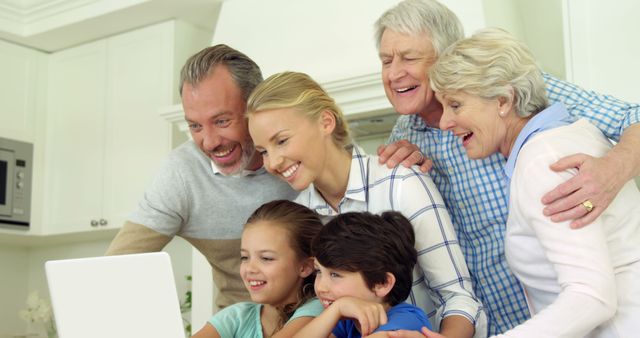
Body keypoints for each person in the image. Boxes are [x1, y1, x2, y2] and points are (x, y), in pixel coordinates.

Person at [374, 0, 640, 334]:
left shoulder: (527, 113)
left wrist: (613, 169)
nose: (394, 72)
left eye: (409, 57)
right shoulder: (403, 137)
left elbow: (634, 117)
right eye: (386, 60)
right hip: (503, 320)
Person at [246, 71, 486, 338]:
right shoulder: (302, 217)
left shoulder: (400, 181)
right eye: (264, 151)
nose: (274, 162)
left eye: (282, 140)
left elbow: (457, 297)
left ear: (325, 122)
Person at [105, 45, 299, 309]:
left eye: (221, 121)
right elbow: (114, 268)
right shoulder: (182, 175)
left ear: (257, 105)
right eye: (195, 125)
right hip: (239, 326)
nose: (209, 142)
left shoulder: (302, 152)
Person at [192, 200, 325, 338]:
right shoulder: (236, 317)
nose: (250, 268)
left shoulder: (318, 310)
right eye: (244, 257)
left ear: (305, 267)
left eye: (266, 258)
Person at [293, 211, 432, 338]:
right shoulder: (347, 321)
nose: (321, 287)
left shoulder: (406, 321)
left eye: (335, 275)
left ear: (382, 283)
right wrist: (336, 309)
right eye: (318, 271)